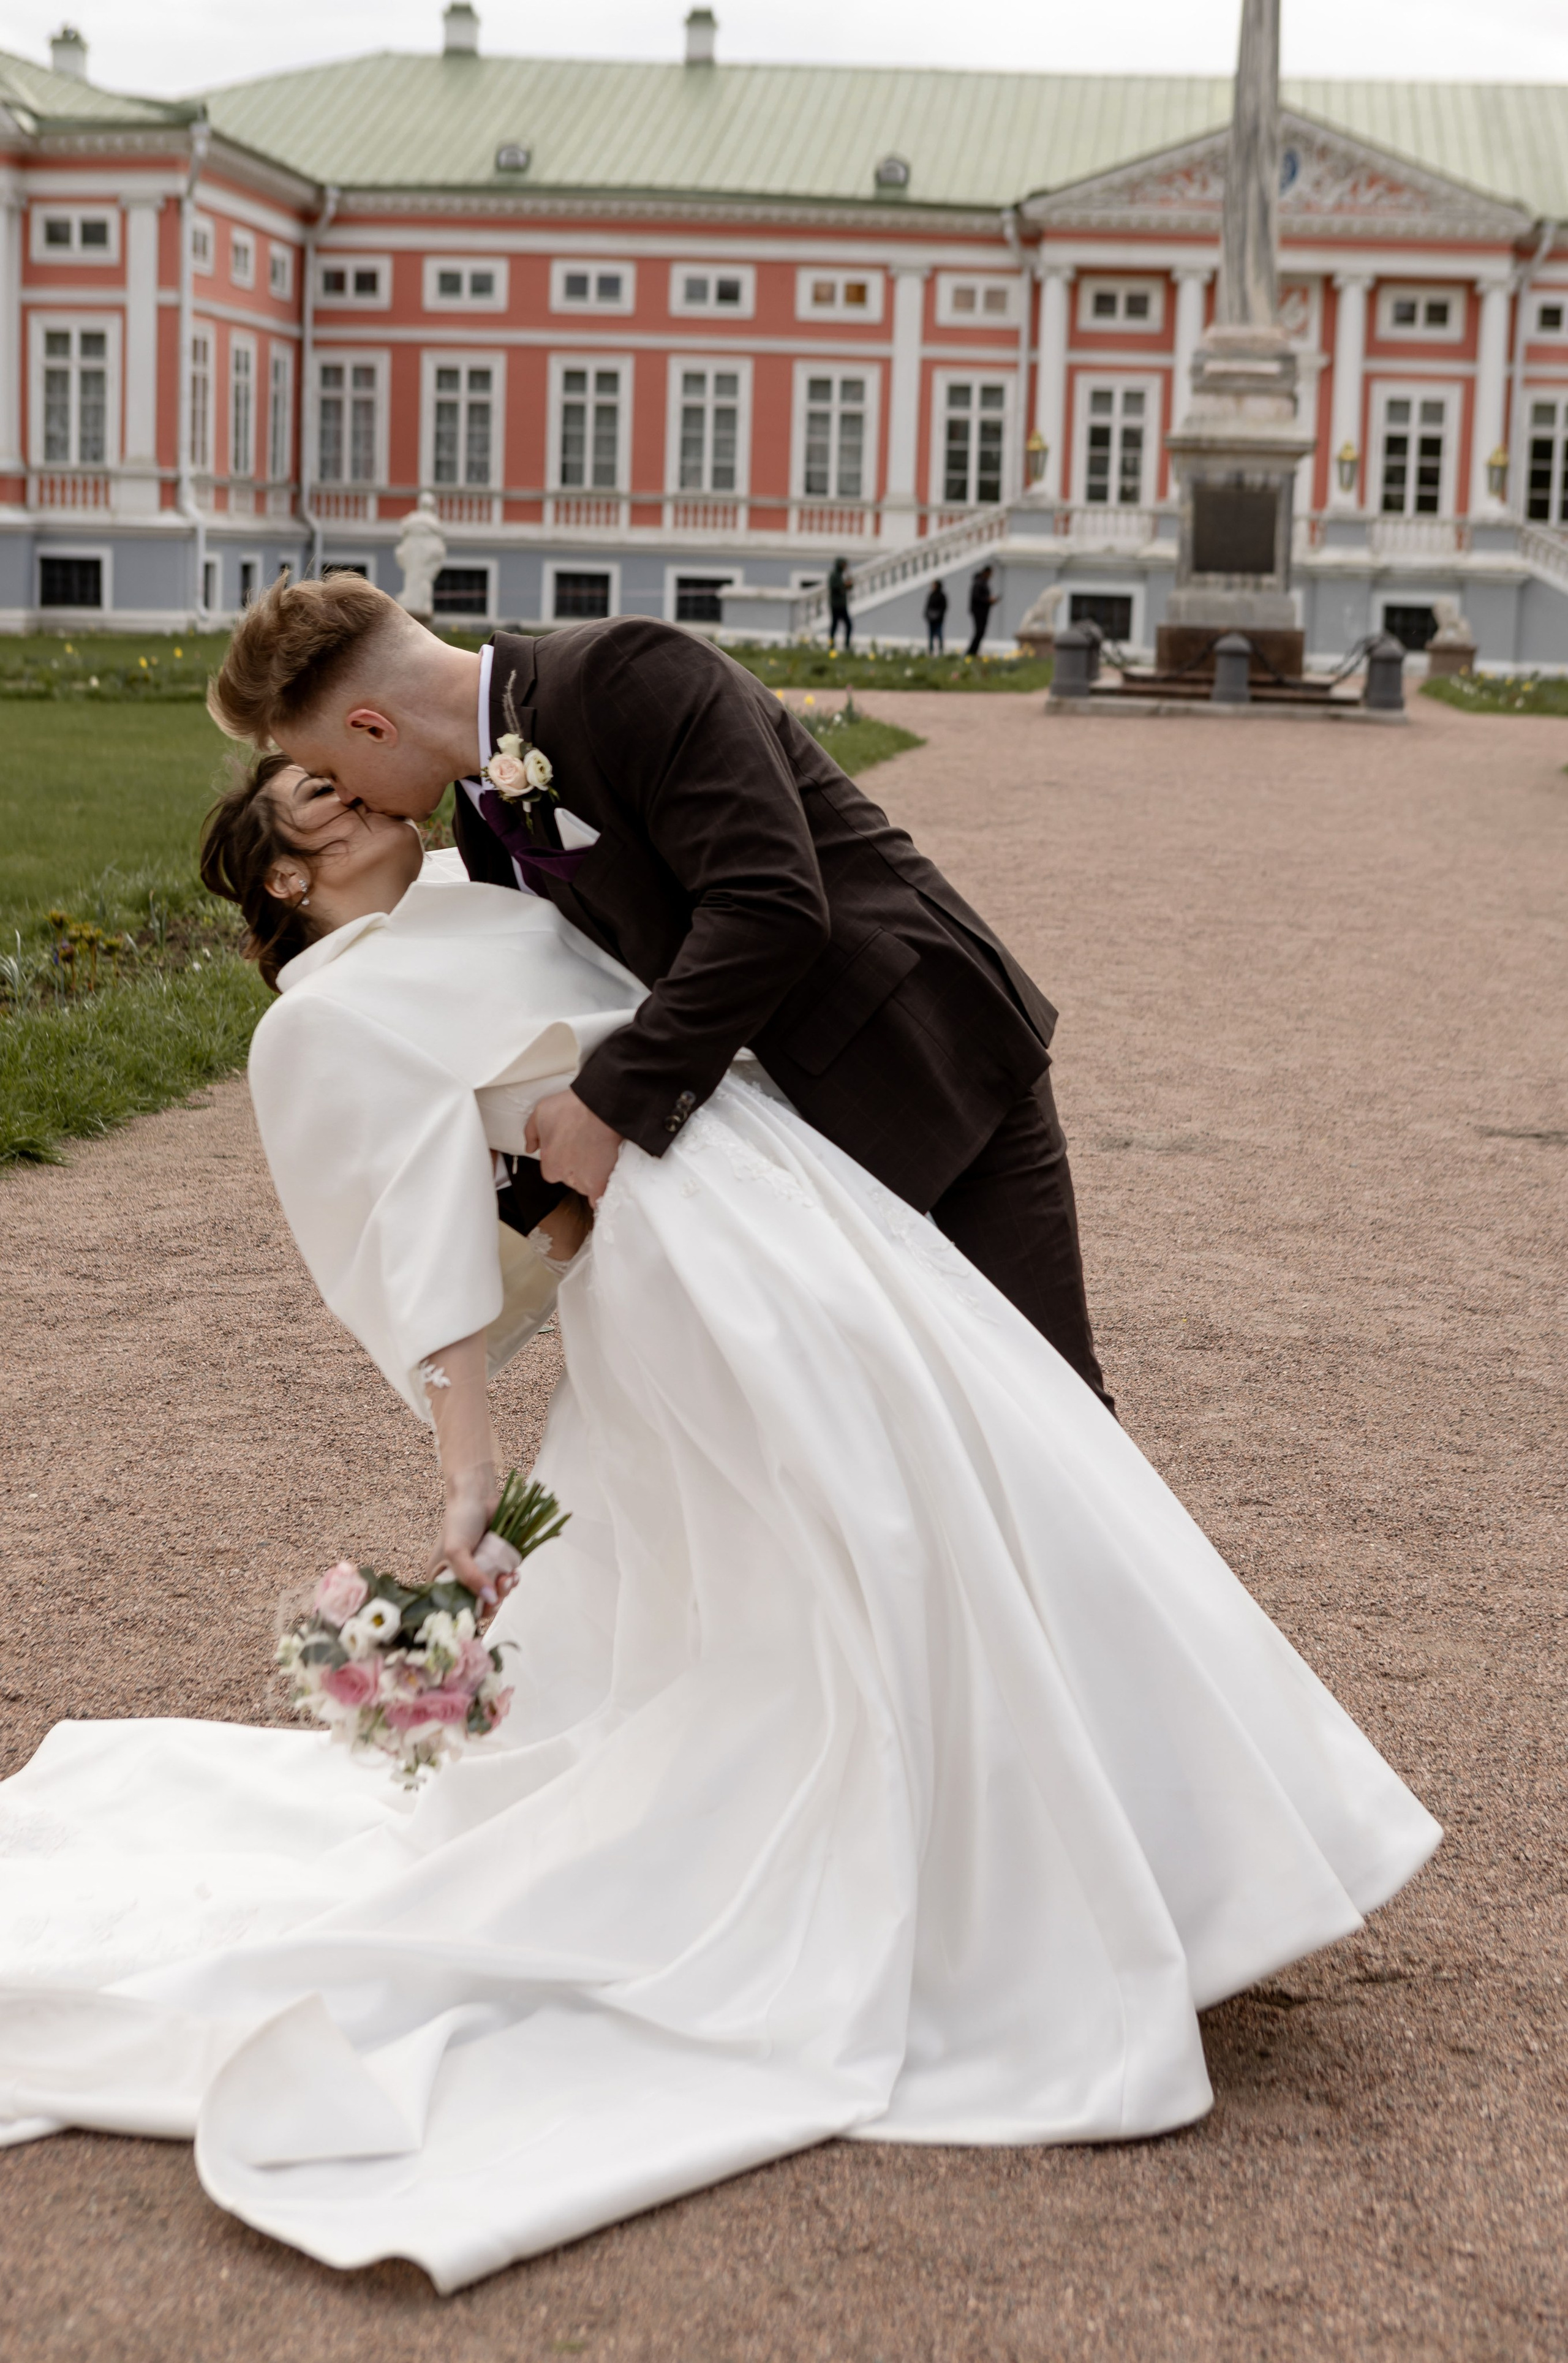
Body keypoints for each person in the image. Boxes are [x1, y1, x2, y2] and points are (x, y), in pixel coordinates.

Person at [0, 753, 1441, 2290]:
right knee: (849, 1536)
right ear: (282, 878)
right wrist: (467, 1467)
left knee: (959, 1480)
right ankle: (956, 1891)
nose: (357, 797)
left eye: (346, 776)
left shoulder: (481, 899)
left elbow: (582, 1112)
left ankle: (1115, 1847)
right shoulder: (321, 1020)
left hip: (777, 1183)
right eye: (316, 802)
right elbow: (424, 1241)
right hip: (689, 1252)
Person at [199, 576, 1115, 1439]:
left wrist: (609, 1103)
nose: (349, 797)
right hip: (785, 1146)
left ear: (371, 724)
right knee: (910, 1435)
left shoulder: (628, 671)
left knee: (1055, 1418)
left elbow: (769, 905)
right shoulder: (484, 821)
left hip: (920, 1067)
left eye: (329, 770)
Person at [967, 563, 998, 658]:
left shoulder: (983, 582)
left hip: (983, 611)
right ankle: (971, 652)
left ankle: (973, 652)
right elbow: (977, 597)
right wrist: (988, 600)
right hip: (979, 612)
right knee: (979, 632)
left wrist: (991, 601)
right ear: (986, 572)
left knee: (981, 632)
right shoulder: (979, 582)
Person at [827, 552, 853, 650]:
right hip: (836, 605)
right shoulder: (834, 575)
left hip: (842, 605)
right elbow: (834, 587)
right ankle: (832, 644)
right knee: (835, 625)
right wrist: (844, 585)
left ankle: (847, 644)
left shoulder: (842, 575)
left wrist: (849, 584)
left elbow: (848, 587)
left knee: (848, 625)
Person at [923, 576, 948, 655]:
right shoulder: (931, 595)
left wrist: (939, 615)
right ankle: (931, 650)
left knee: (939, 634)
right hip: (931, 618)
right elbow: (928, 606)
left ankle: (941, 650)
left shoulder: (942, 596)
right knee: (931, 635)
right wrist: (927, 615)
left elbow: (944, 607)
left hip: (939, 619)